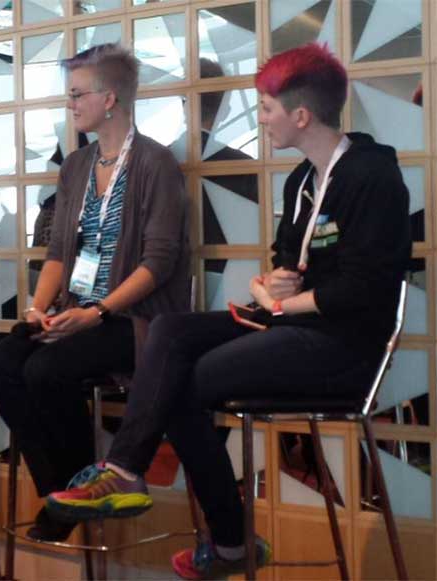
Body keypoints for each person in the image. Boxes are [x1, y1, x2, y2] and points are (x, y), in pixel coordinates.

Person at [46, 43, 411, 579]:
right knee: (170, 332)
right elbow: (289, 262)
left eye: (266, 108)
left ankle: (224, 536)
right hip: (293, 325)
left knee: (179, 380)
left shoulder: (372, 177)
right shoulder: (303, 179)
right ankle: (131, 473)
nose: (260, 119)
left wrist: (284, 300)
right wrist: (272, 284)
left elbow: (367, 288)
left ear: (300, 115)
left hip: (344, 346)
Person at [0, 43, 189, 542]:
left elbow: (158, 263)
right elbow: (58, 253)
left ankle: (75, 494)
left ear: (109, 98)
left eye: (77, 94)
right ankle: (63, 490)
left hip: (132, 320)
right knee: (1, 363)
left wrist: (97, 312)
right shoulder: (76, 166)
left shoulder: (155, 164)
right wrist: (37, 309)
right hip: (75, 312)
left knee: (46, 369)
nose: (70, 104)